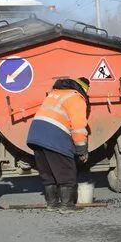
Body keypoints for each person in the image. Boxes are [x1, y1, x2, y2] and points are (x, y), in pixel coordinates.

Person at [27, 77, 90, 212]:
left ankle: (52, 204)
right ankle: (67, 206)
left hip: (36, 134)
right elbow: (78, 127)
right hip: (53, 135)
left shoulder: (55, 94)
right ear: (82, 90)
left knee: (48, 173)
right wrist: (81, 150)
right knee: (66, 172)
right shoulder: (76, 98)